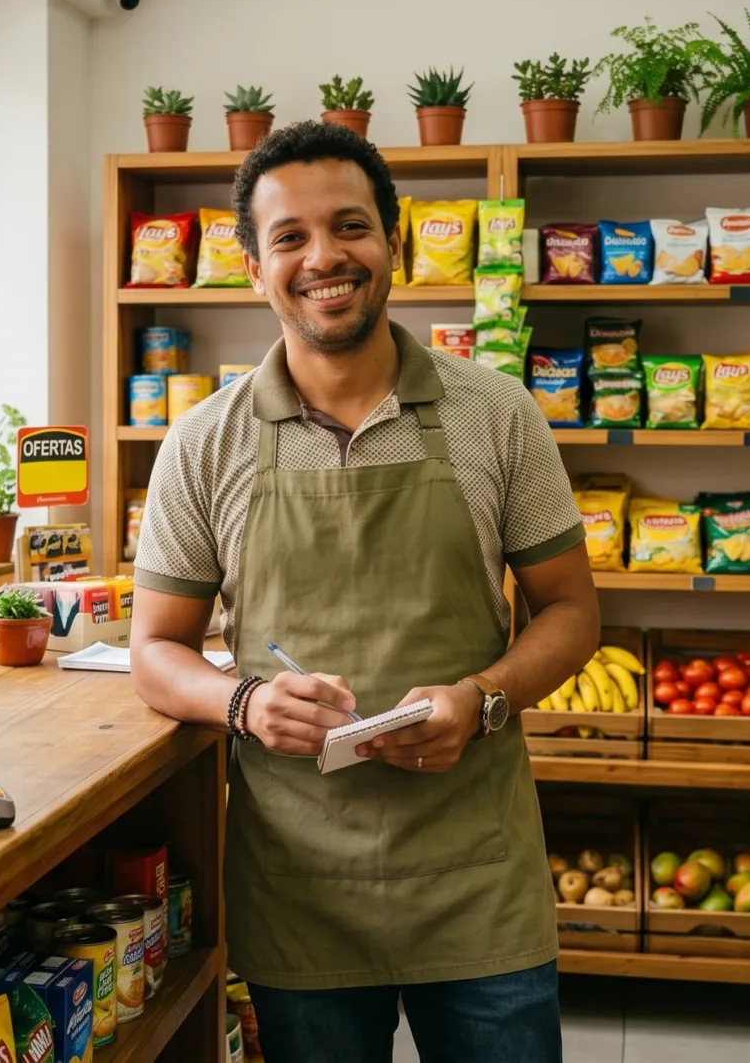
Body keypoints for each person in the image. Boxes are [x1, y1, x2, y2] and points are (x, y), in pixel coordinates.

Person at [127, 123, 599, 1063]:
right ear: (255, 269)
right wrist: (244, 703)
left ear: (393, 242)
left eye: (350, 226)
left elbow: (573, 612)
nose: (323, 258)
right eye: (289, 238)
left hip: (476, 873)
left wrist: (482, 699)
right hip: (299, 884)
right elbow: (155, 649)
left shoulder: (497, 413)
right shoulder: (203, 442)